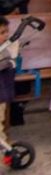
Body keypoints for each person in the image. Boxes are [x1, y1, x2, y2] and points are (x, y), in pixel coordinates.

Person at [0, 16, 19, 150]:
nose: (6, 35)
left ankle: (3, 148)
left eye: (7, 32)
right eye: (2, 33)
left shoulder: (6, 50)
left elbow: (10, 61)